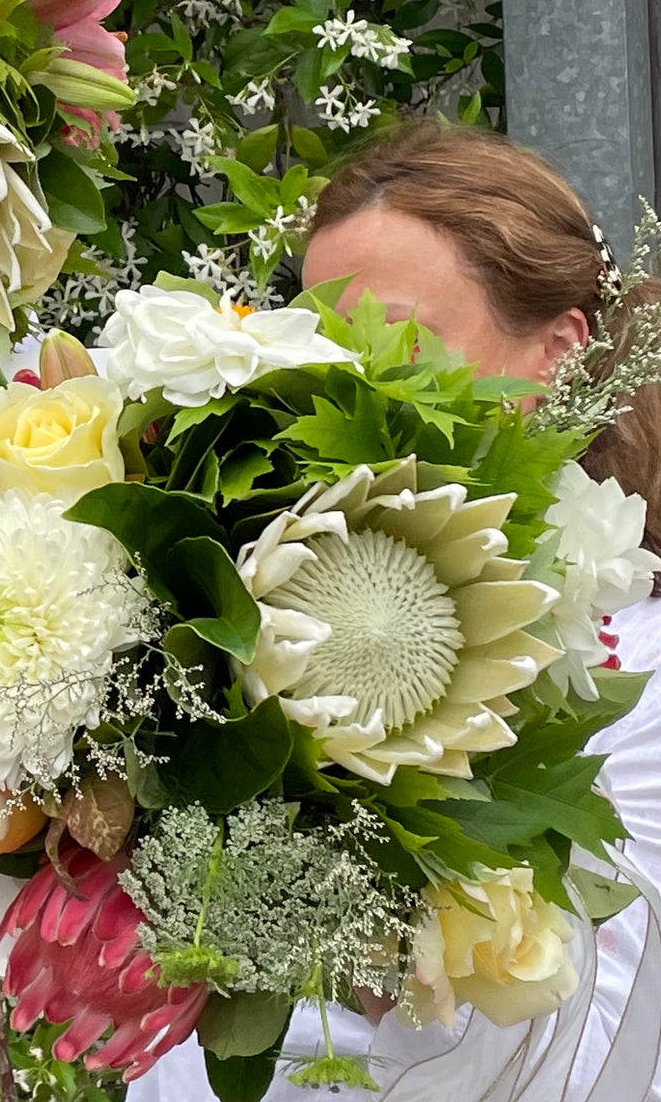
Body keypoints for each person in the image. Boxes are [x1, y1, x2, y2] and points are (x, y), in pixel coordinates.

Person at [130, 121, 661, 1101]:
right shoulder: (232, 645)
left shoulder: (640, 685)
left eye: (403, 342)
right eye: (328, 348)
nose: (353, 388)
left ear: (556, 352)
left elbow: (603, 1045)